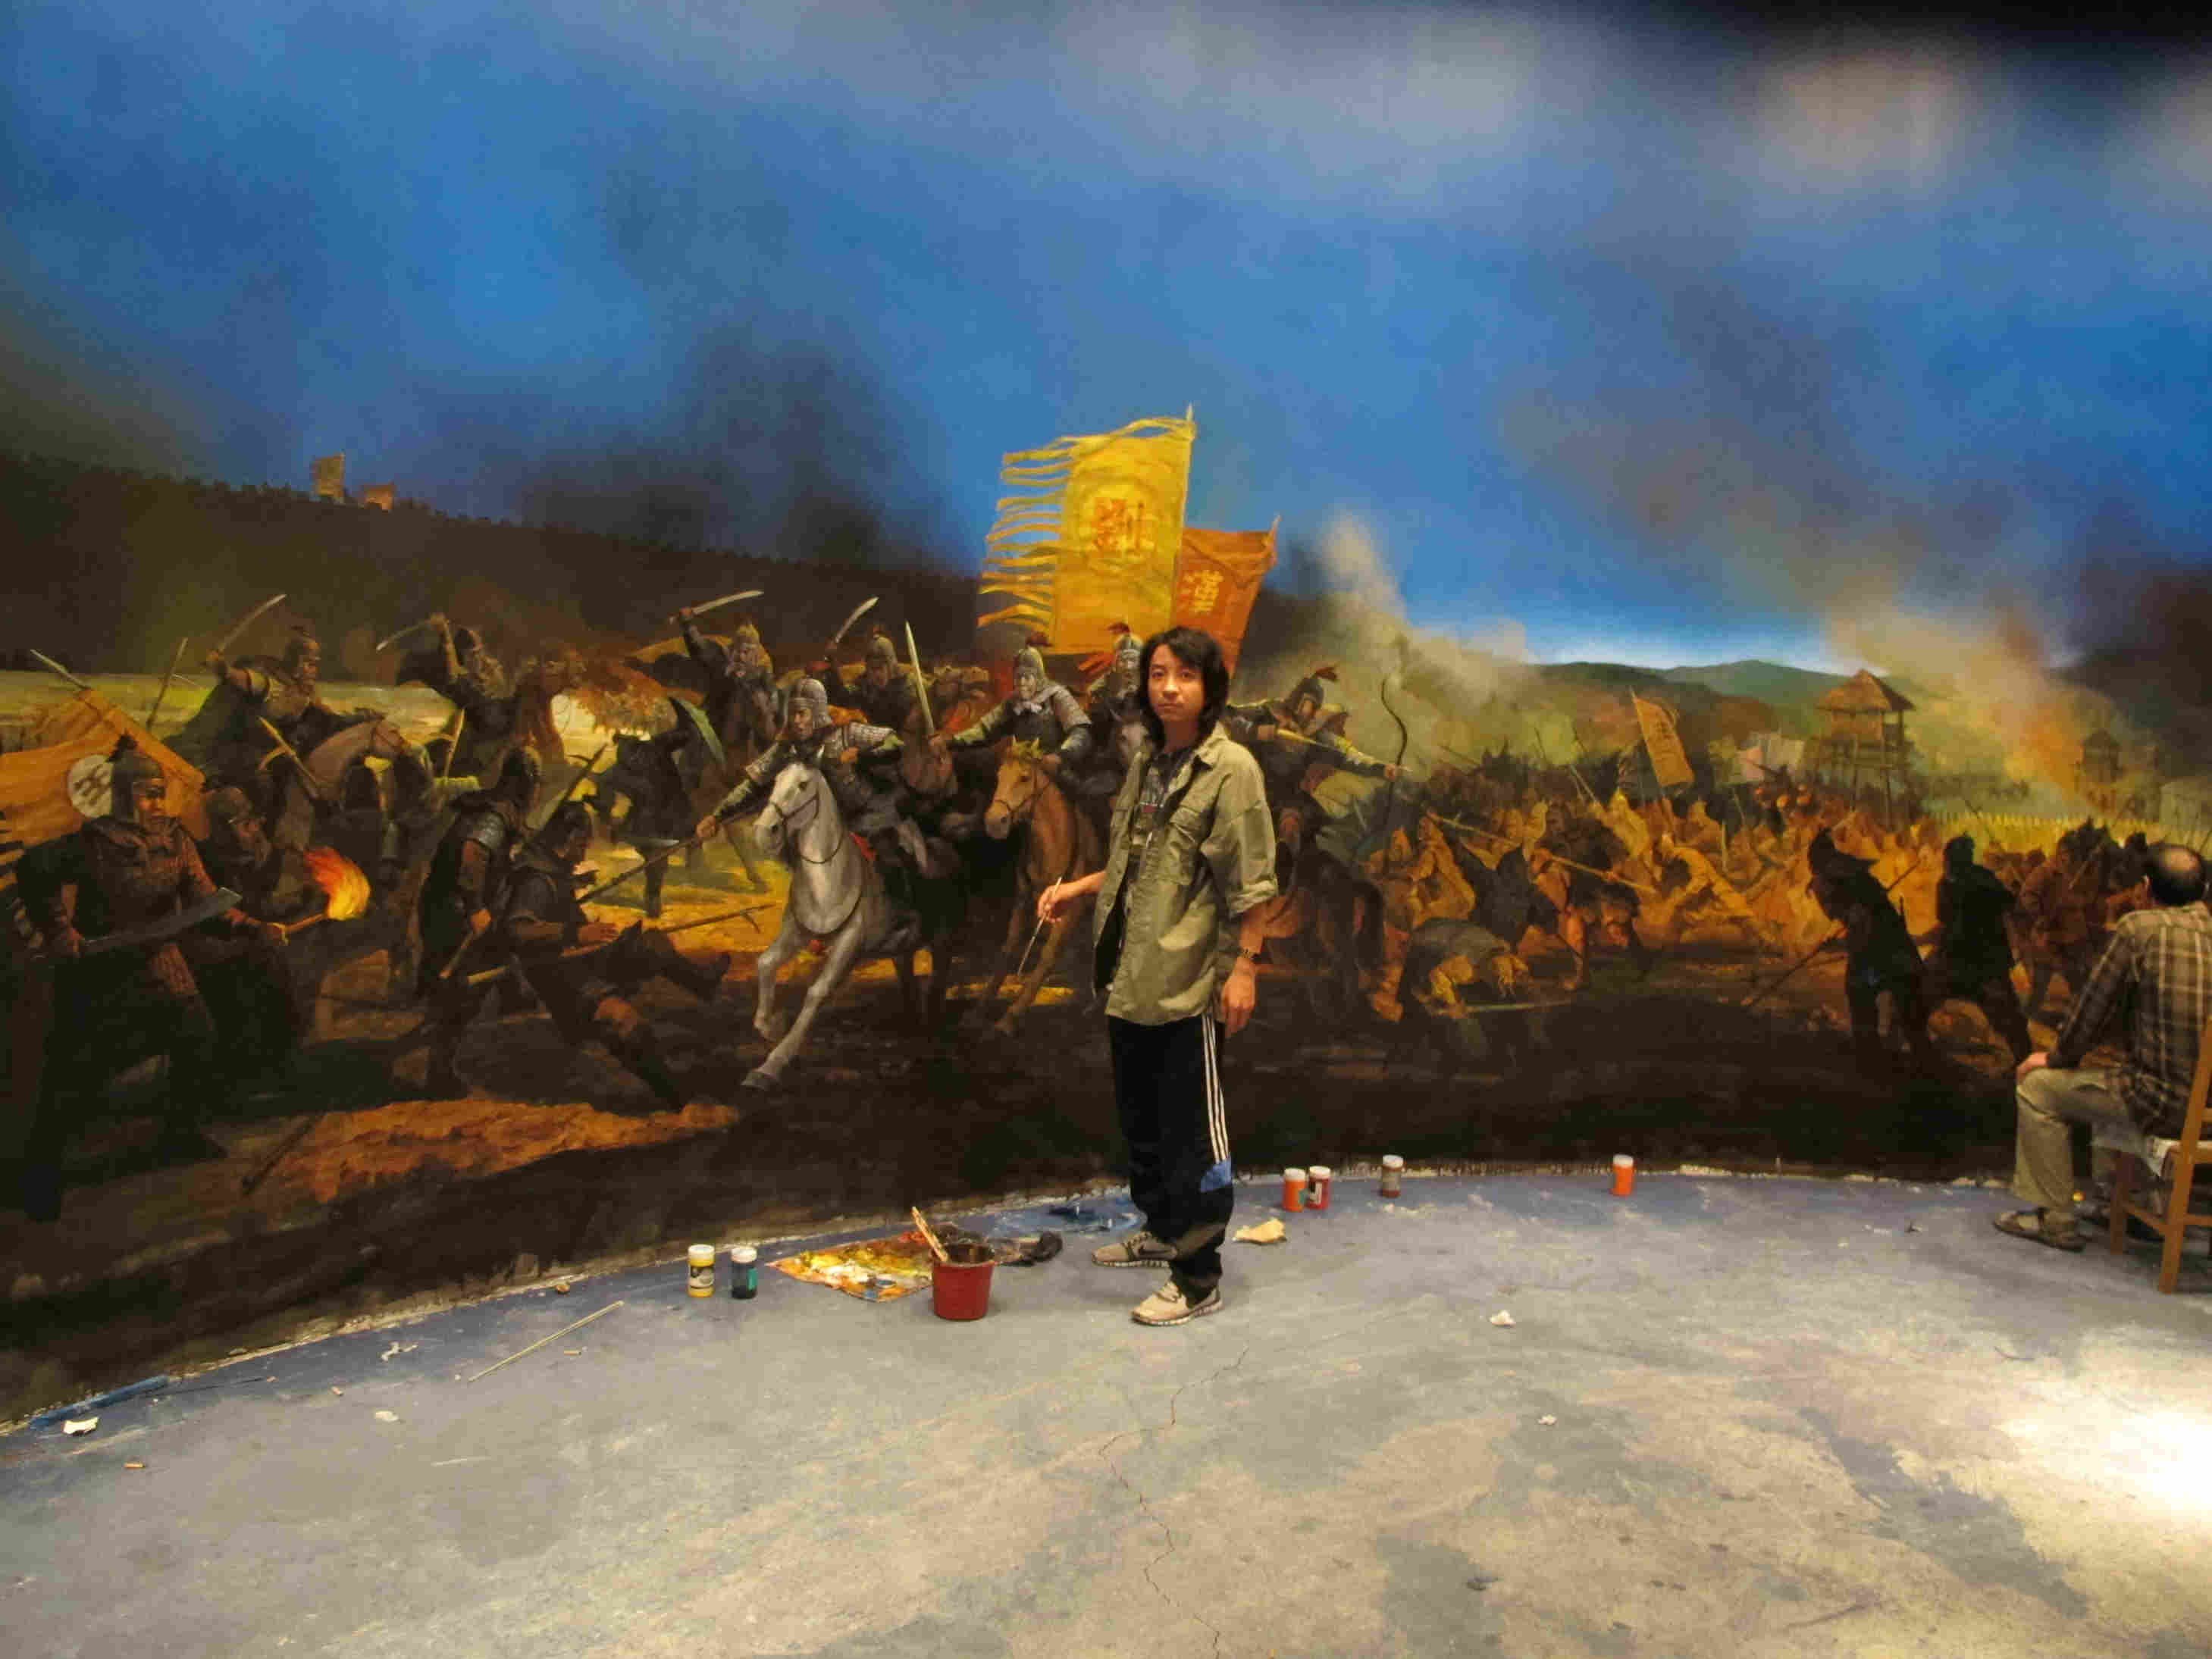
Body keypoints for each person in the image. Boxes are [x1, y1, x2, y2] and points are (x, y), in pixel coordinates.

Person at [1036, 626, 1277, 1326]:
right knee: (1141, 1118)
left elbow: (1253, 883)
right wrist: (1078, 888)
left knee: (1191, 1131)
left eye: (1186, 676)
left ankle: (1198, 1276)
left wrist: (1245, 967)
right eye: (1159, 674)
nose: (1169, 687)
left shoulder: (1231, 770)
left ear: (1210, 688)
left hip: (1186, 979)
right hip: (1130, 971)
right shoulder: (1148, 761)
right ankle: (1162, 1231)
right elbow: (1136, 858)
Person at [12, 737, 282, 1220]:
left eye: (161, 793)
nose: (157, 803)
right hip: (103, 968)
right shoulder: (94, 842)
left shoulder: (176, 840)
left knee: (197, 1038)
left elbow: (205, 901)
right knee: (77, 1074)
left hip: (162, 959)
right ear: (123, 796)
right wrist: (60, 930)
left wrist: (252, 927)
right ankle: (40, 1175)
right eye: (146, 794)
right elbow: (34, 870)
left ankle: (178, 1134)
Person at [1996, 843, 2212, 1251]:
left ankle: (2054, 1219)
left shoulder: (2138, 929)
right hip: (2207, 1113)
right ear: (2203, 892)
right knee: (2115, 1078)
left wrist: (2056, 1057)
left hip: (2161, 1104)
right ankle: (2129, 1207)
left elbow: (2091, 1011)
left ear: (2144, 888)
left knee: (2038, 1088)